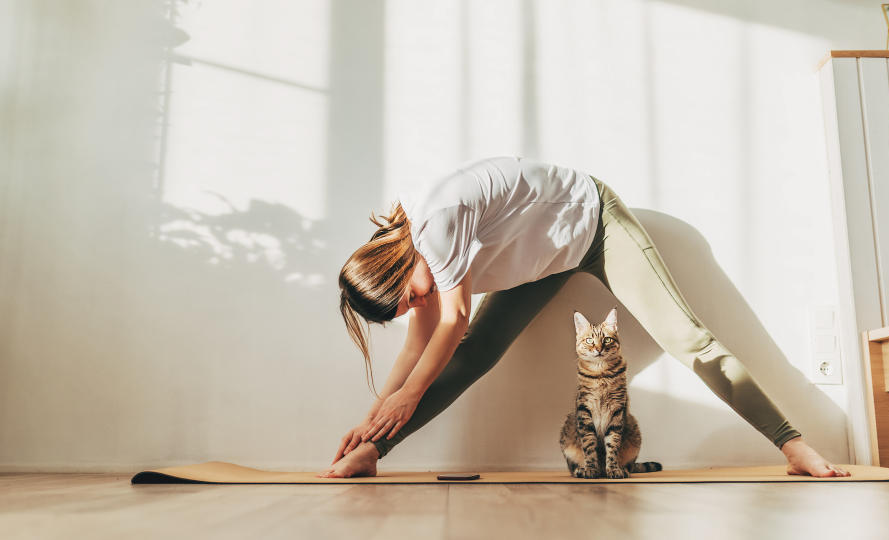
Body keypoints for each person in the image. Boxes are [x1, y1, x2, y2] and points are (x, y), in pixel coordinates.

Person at [320, 156, 849, 478]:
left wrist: (405, 397)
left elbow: (451, 321)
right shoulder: (416, 258)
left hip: (593, 223)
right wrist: (373, 423)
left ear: (395, 265)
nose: (415, 306)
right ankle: (371, 455)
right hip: (541, 263)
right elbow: (419, 346)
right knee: (471, 357)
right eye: (405, 308)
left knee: (688, 340)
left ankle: (793, 445)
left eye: (407, 298)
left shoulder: (436, 222)